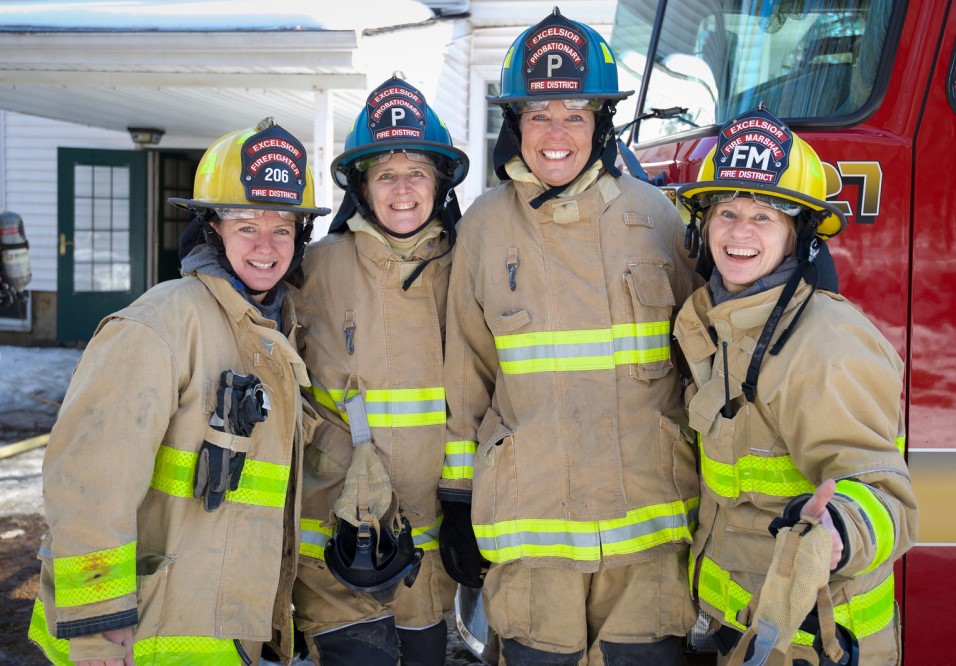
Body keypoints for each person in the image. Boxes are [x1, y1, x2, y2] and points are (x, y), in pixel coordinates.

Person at [438, 9, 701, 665]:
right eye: (538, 116)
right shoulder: (484, 227)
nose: (555, 134)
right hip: (533, 539)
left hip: (649, 536)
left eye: (574, 116)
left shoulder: (656, 217)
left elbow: (701, 363)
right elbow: (464, 372)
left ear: (601, 124)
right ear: (515, 126)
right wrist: (456, 498)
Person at [28, 117, 330, 666]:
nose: (266, 246)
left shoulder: (273, 331)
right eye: (245, 227)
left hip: (225, 630)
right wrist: (96, 631)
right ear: (211, 229)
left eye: (282, 228)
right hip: (149, 639)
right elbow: (89, 482)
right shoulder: (160, 326)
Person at [674, 105, 918, 665]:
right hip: (744, 633)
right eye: (727, 212)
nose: (739, 232)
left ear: (798, 234)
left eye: (764, 216)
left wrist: (841, 527)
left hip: (820, 643)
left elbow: (888, 497)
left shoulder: (826, 344)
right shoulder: (719, 323)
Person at [292, 76, 469, 666]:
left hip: (430, 549)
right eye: (384, 174)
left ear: (439, 182)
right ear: (361, 187)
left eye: (416, 172)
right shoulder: (312, 269)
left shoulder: (467, 269)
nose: (401, 190)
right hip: (336, 543)